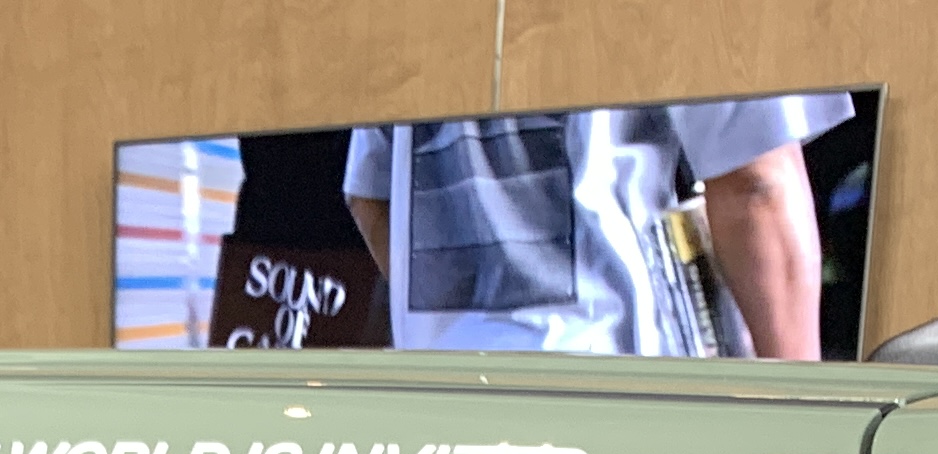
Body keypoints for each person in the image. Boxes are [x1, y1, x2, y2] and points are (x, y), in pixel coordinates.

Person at [345, 97, 856, 359]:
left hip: (440, 410)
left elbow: (372, 196)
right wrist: (804, 433)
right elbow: (755, 185)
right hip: (623, 394)